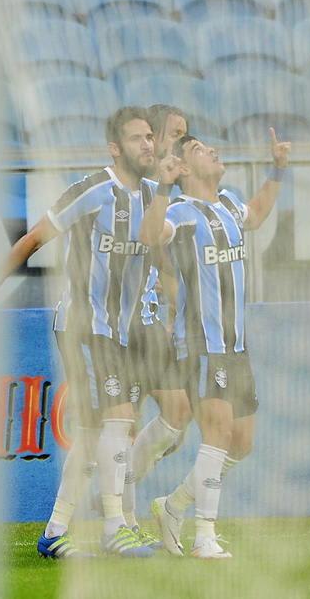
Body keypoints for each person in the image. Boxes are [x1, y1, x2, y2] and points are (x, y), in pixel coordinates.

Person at [1, 106, 160, 559]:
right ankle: (114, 528)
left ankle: (54, 531)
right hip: (83, 325)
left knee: (97, 433)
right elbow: (32, 240)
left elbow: (163, 252)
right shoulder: (91, 190)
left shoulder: (154, 196)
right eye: (136, 138)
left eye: (150, 137)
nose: (147, 145)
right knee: (119, 418)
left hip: (125, 331)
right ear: (115, 147)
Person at [140, 128, 290, 560]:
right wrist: (164, 187)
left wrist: (278, 169)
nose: (214, 152)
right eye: (202, 150)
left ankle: (174, 507)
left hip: (236, 346)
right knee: (218, 433)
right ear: (185, 167)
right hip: (201, 346)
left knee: (242, 443)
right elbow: (151, 236)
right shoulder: (183, 212)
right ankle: (204, 535)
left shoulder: (227, 203)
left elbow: (257, 214)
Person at [121, 104, 192, 535]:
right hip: (123, 321)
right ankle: (122, 517)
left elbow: (165, 262)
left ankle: (116, 489)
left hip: (151, 320)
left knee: (177, 415)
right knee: (120, 423)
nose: (180, 143)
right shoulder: (137, 188)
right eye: (175, 134)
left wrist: (170, 313)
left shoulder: (167, 193)